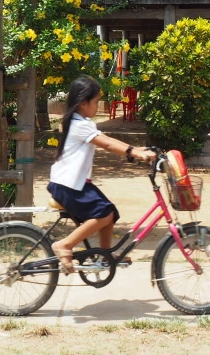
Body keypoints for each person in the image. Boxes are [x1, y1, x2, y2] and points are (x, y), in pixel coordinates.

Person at [48, 75, 157, 274]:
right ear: (83, 103)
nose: (98, 106)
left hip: (75, 184)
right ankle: (64, 245)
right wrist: (135, 152)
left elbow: (107, 139)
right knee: (103, 212)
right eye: (96, 101)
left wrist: (138, 149)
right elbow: (106, 144)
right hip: (67, 185)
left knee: (109, 212)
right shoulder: (79, 124)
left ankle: (104, 255)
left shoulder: (81, 121)